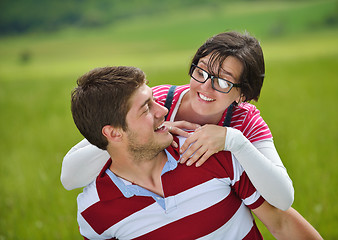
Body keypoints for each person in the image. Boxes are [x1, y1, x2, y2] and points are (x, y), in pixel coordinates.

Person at [71, 66, 322, 239]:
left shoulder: (209, 153)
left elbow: (282, 223)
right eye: (146, 108)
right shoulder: (92, 211)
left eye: (154, 100)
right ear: (113, 133)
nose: (162, 111)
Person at [61, 31, 294, 211]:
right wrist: (150, 130)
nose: (205, 87)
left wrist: (233, 141)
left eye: (223, 82)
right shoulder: (160, 102)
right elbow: (70, 176)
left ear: (243, 94)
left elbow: (283, 199)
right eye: (201, 72)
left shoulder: (245, 121)